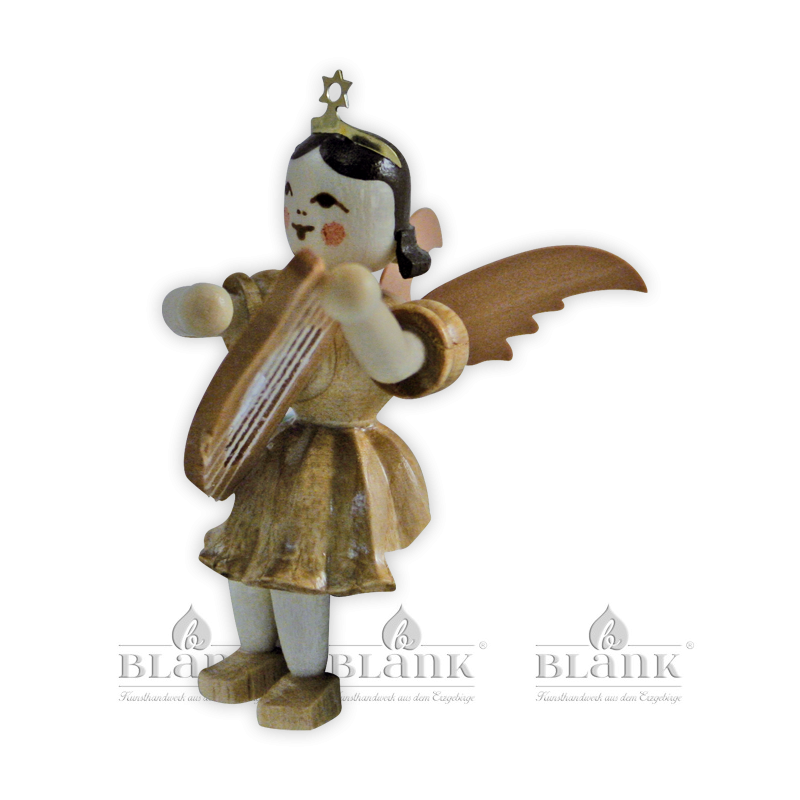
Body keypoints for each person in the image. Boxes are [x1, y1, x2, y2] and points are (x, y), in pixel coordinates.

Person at [163, 71, 468, 730]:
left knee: (302, 572)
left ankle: (306, 676)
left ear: (393, 229)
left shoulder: (395, 311)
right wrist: (202, 306)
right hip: (276, 450)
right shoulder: (281, 289)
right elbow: (238, 320)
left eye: (329, 202)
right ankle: (254, 652)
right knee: (245, 560)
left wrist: (362, 311)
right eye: (293, 197)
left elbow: (402, 365)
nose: (303, 213)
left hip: (344, 457)